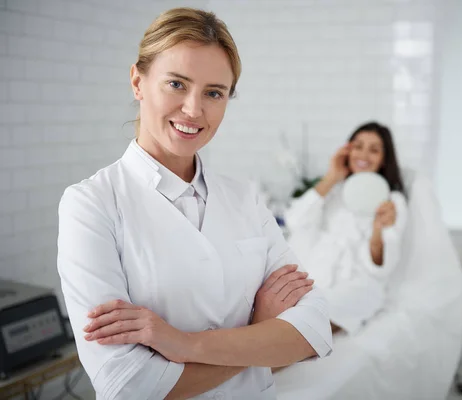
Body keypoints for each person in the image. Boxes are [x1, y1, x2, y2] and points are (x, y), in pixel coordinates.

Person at [56, 8, 332, 400]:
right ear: (138, 81)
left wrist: (185, 344)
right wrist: (261, 329)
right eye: (176, 84)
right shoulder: (91, 205)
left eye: (214, 93)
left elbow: (315, 327)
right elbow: (127, 385)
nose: (193, 109)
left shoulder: (244, 198)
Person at [284, 122, 408, 335]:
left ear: (385, 158)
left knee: (304, 327)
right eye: (358, 146)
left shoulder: (392, 201)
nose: (363, 154)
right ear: (347, 150)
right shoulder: (334, 190)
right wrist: (331, 177)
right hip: (317, 278)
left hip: (358, 287)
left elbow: (380, 267)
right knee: (275, 320)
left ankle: (266, 365)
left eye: (374, 150)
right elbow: (295, 221)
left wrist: (378, 229)